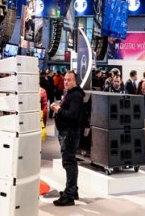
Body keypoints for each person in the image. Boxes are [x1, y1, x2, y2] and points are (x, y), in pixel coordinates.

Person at [50, 71, 85, 206]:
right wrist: (58, 107)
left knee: (69, 163)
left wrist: (58, 110)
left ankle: (69, 195)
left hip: (70, 133)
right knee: (70, 162)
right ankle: (73, 190)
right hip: (67, 132)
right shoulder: (71, 93)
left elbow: (73, 115)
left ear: (75, 81)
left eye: (69, 80)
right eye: (65, 79)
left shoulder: (76, 95)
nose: (66, 82)